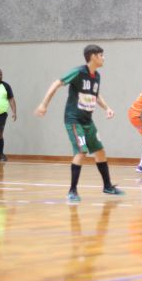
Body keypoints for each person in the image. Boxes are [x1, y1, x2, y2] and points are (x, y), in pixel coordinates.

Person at [34, 44, 124, 202]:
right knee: (81, 151)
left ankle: (108, 186)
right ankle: (72, 191)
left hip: (88, 120)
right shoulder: (78, 72)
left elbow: (95, 95)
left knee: (100, 151)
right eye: (101, 55)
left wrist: (107, 108)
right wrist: (43, 104)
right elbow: (57, 83)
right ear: (93, 56)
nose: (104, 58)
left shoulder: (97, 76)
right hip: (74, 120)